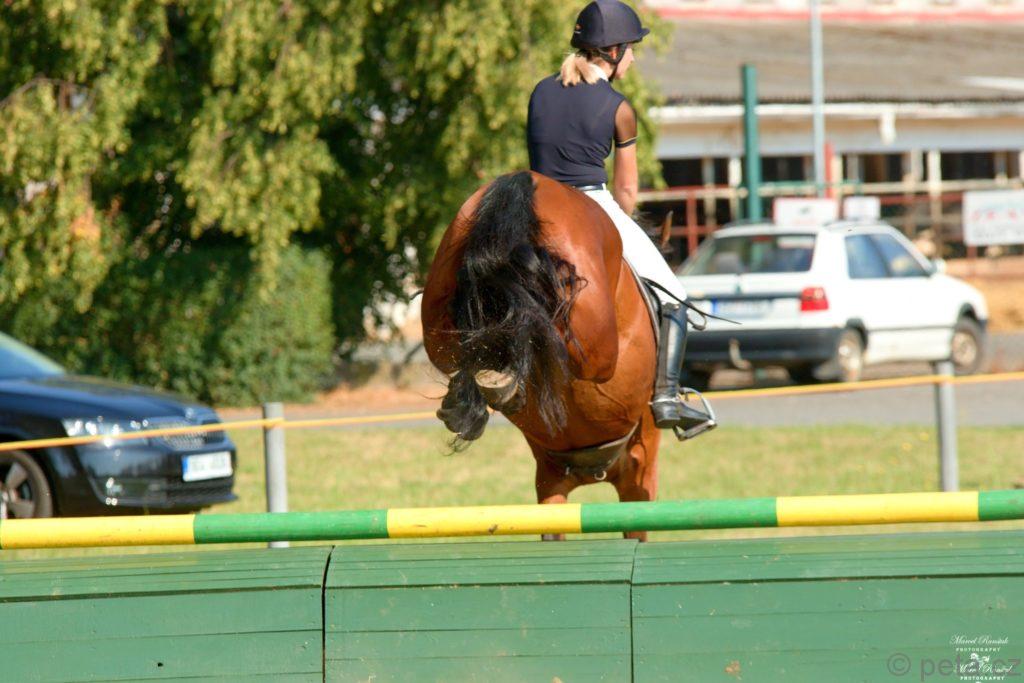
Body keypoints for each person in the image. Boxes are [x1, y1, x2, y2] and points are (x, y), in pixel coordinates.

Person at [526, 0, 711, 433]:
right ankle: (667, 397)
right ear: (612, 52)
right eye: (631, 49)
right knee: (674, 295)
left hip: (534, 205)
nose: (633, 58)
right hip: (592, 203)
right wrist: (618, 228)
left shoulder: (540, 92)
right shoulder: (617, 107)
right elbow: (626, 192)